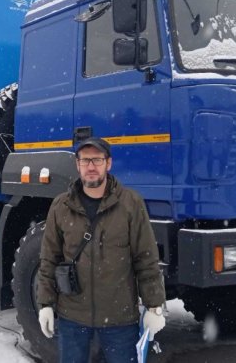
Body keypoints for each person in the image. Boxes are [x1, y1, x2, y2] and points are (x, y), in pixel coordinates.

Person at [36, 137, 166, 363]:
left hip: (119, 319)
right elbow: (49, 259)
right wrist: (45, 304)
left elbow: (145, 259)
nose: (91, 166)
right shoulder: (60, 206)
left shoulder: (131, 203)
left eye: (97, 160)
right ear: (77, 165)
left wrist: (154, 306)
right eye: (85, 160)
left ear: (108, 163)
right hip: (72, 318)